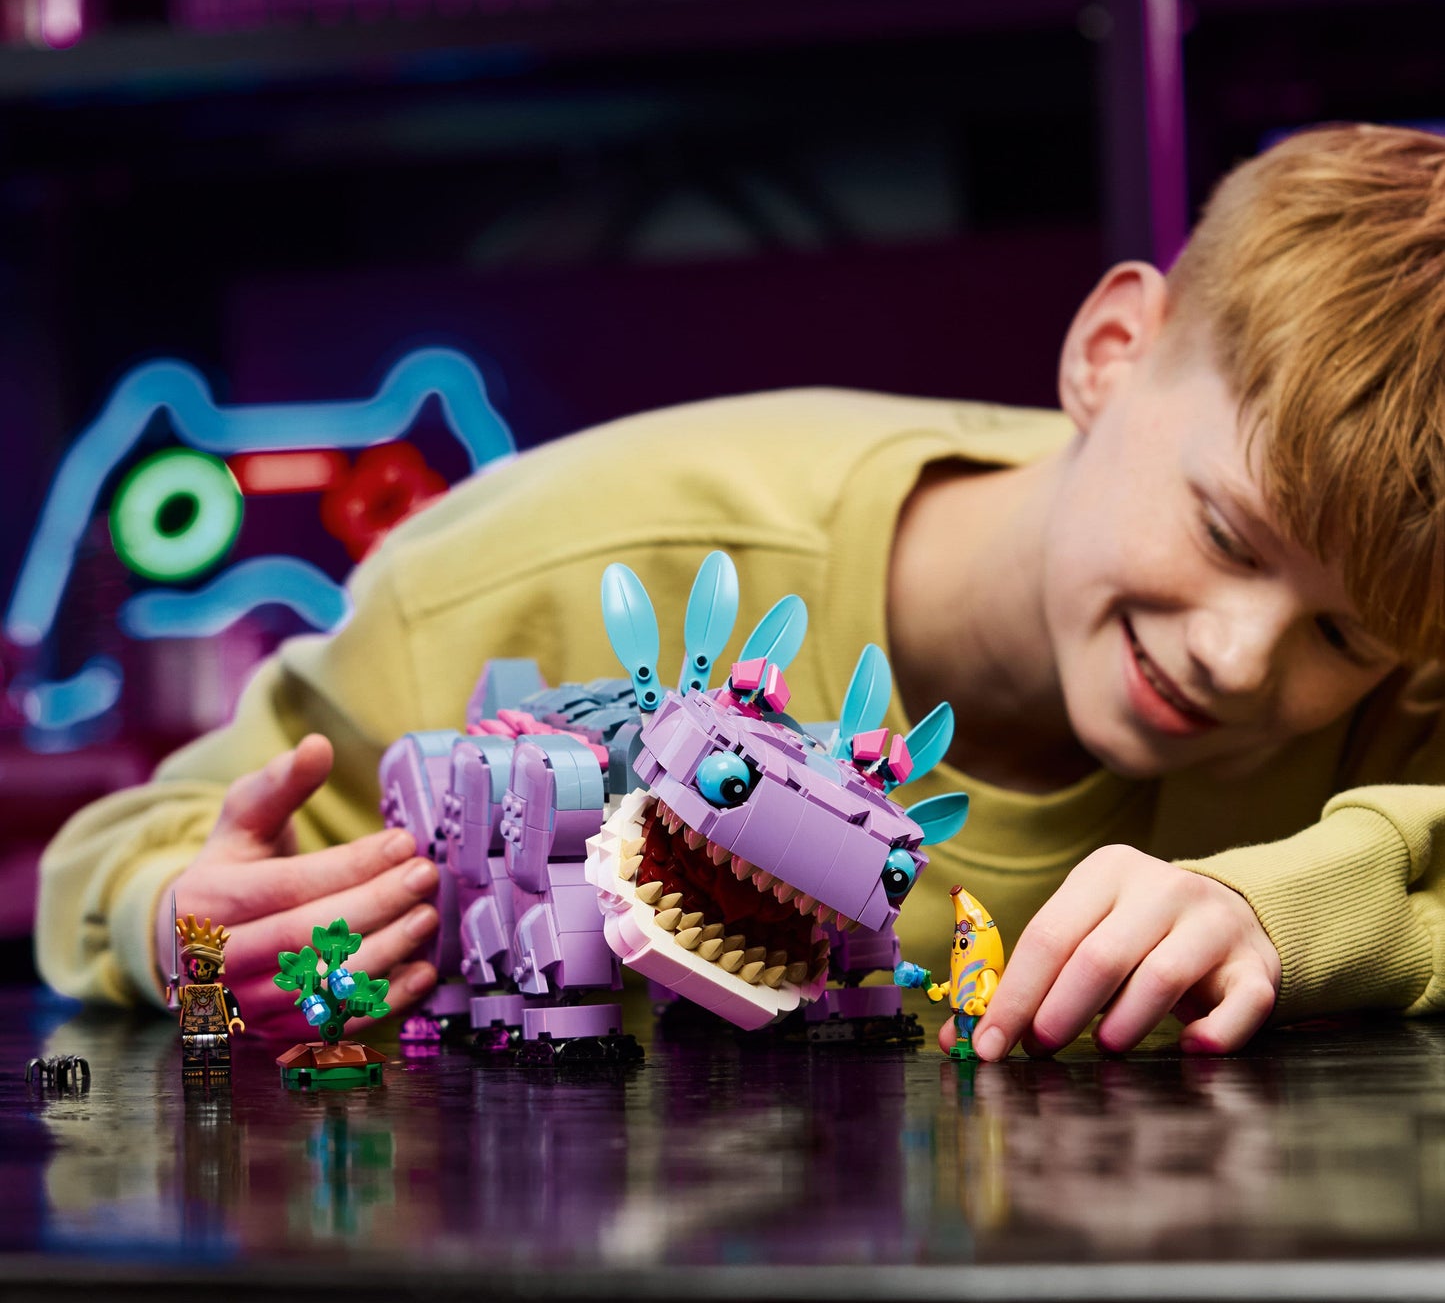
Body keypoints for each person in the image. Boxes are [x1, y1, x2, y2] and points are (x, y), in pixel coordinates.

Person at [35, 123, 1445, 1058]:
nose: (1242, 658)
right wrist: (189, 929)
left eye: (1335, 632)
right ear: (1111, 350)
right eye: (1226, 533)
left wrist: (1295, 907)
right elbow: (114, 864)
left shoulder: (1409, 626)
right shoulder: (536, 571)